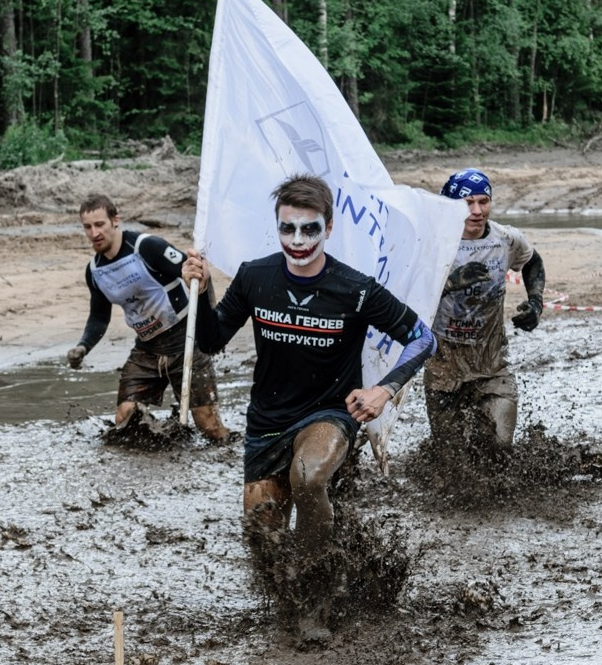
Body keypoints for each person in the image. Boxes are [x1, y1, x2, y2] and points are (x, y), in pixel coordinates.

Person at [180, 173, 437, 616]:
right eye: (287, 228)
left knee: (308, 476)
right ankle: (295, 602)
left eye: (309, 229)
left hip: (329, 415)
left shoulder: (354, 289)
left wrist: (383, 390)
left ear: (329, 228)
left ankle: (318, 593)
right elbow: (211, 339)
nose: (298, 241)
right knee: (265, 542)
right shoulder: (255, 277)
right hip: (267, 422)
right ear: (277, 227)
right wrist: (202, 292)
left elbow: (421, 337)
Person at [68, 194, 230, 441]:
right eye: (87, 227)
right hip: (147, 350)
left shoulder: (147, 247)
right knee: (125, 419)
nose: (94, 233)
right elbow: (99, 317)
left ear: (115, 221)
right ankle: (163, 441)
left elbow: (196, 274)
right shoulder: (95, 271)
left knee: (209, 427)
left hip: (184, 339)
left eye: (99, 224)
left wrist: (210, 331)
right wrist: (83, 346)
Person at [426, 168, 545, 454]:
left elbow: (532, 261)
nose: (477, 211)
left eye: (484, 201)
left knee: (499, 444)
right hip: (444, 365)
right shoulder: (431, 243)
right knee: (450, 457)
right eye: (468, 203)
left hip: (491, 362)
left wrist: (536, 302)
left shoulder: (506, 239)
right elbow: (407, 296)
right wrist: (449, 283)